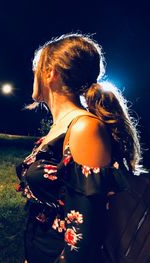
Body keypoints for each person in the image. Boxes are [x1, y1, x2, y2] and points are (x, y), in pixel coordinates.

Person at [15, 33, 146, 262]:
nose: (33, 75)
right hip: (39, 250)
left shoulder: (85, 128)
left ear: (50, 73)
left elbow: (85, 234)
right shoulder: (61, 127)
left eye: (37, 68)